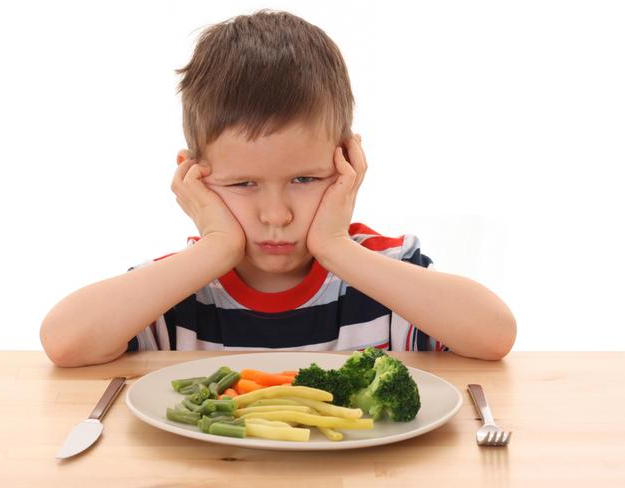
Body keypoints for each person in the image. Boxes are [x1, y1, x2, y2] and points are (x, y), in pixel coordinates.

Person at [40, 9, 516, 368]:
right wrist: (218, 247)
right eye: (243, 183)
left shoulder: (384, 276)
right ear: (195, 179)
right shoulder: (177, 288)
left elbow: (494, 335)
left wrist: (335, 247)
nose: (276, 214)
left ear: (348, 162)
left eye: (304, 179)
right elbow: (64, 341)